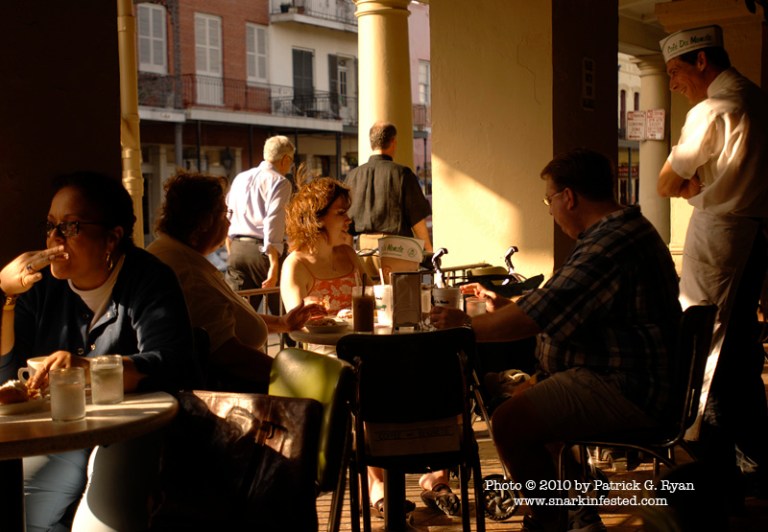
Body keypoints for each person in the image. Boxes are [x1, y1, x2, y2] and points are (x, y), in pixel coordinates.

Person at [431, 149, 682, 532]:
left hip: (631, 388)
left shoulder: (608, 244)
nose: (550, 209)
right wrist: (508, 304)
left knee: (510, 422)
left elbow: (541, 313)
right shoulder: (622, 231)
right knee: (530, 399)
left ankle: (546, 520)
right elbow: (564, 300)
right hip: (631, 377)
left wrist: (464, 326)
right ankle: (577, 514)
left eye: (549, 200)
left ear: (569, 197)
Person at [0, 171, 201, 531]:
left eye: (71, 227)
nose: (54, 238)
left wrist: (88, 368)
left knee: (102, 525)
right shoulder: (42, 285)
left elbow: (173, 362)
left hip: (130, 429)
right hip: (60, 429)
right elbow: (9, 376)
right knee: (26, 516)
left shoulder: (148, 278)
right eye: (50, 225)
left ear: (112, 238)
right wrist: (7, 296)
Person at [657, 25, 768, 498]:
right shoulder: (758, 99)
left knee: (709, 345)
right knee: (739, 343)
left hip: (720, 236)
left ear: (701, 61)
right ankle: (750, 460)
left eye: (676, 72)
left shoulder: (714, 109)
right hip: (753, 234)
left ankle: (719, 464)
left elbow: (665, 181)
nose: (673, 83)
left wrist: (684, 187)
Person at [147, 171, 323, 392]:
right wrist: (298, 376)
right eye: (223, 214)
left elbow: (224, 318)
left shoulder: (176, 254)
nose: (229, 222)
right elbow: (227, 353)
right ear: (203, 221)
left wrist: (282, 323)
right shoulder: (187, 272)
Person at [226, 135, 295, 316]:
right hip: (263, 252)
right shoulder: (280, 182)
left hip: (237, 250)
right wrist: (273, 265)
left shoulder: (240, 178)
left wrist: (230, 248)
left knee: (238, 317)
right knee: (285, 315)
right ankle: (291, 344)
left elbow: (228, 214)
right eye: (291, 162)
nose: (290, 167)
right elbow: (274, 220)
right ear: (285, 159)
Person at [345, 121, 434, 257]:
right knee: (396, 279)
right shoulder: (403, 173)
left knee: (369, 279)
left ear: (371, 143)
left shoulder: (352, 176)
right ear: (393, 142)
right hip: (396, 249)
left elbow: (346, 222)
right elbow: (417, 218)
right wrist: (428, 250)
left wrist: (348, 255)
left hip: (363, 249)